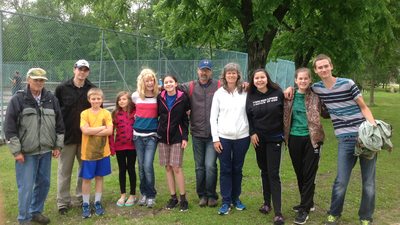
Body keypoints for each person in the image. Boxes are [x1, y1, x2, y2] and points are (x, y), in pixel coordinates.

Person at [284, 54, 377, 225]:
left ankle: (366, 217)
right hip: (344, 139)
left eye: (326, 66)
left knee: (368, 182)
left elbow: (364, 107)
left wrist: (373, 129)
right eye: (320, 67)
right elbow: (302, 86)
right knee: (341, 181)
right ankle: (334, 214)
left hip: (364, 136)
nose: (324, 69)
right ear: (316, 71)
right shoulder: (317, 88)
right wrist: (290, 87)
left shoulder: (348, 83)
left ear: (331, 66)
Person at [4, 68, 65, 225]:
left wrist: (58, 145)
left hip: (45, 151)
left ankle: (35, 213)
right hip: (26, 153)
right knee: (26, 187)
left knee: (44, 184)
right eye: (35, 79)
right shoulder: (18, 100)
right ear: (28, 80)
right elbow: (10, 127)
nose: (39, 82)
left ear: (45, 81)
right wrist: (16, 151)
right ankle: (23, 219)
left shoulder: (51, 99)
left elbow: (59, 125)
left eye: (42, 80)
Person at [283, 68, 330, 224]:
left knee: (309, 173)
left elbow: (327, 114)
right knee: (299, 172)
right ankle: (307, 202)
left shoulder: (317, 96)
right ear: (295, 80)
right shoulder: (289, 96)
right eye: (300, 78)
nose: (303, 81)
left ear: (310, 80)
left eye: (306, 78)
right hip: (294, 138)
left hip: (313, 139)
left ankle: (304, 209)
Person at [55, 59, 97, 214]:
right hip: (66, 137)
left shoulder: (92, 89)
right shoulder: (62, 88)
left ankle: (82, 197)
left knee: (84, 170)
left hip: (86, 138)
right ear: (74, 70)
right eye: (80, 69)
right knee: (64, 171)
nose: (82, 72)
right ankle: (63, 201)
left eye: (85, 70)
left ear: (88, 72)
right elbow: (56, 112)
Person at [245, 69, 285, 225]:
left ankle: (278, 212)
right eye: (256, 78)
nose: (259, 80)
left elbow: (286, 113)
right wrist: (252, 133)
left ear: (267, 79)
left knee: (273, 173)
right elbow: (248, 117)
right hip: (258, 140)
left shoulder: (278, 93)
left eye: (262, 77)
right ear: (253, 80)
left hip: (275, 139)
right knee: (264, 171)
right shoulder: (250, 96)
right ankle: (266, 203)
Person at [178, 59, 220, 207]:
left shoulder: (219, 85)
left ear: (211, 72)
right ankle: (202, 195)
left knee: (210, 165)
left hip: (213, 136)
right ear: (198, 70)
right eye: (202, 70)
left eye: (207, 70)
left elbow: (237, 87)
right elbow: (170, 86)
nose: (204, 73)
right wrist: (155, 86)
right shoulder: (189, 86)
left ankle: (212, 195)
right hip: (197, 134)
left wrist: (246, 85)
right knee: (199, 167)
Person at [210, 63, 250, 215]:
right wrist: (216, 139)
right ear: (224, 76)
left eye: (234, 73)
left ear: (238, 75)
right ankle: (226, 201)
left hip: (242, 137)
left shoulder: (245, 91)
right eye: (229, 73)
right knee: (226, 169)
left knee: (237, 169)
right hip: (224, 138)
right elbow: (213, 118)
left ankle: (236, 198)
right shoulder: (219, 93)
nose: (231, 75)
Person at [157, 74, 190, 212]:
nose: (169, 84)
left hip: (177, 137)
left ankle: (183, 199)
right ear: (163, 85)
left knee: (177, 168)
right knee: (168, 167)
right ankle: (173, 197)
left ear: (176, 83)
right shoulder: (159, 97)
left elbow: (185, 119)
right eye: (166, 82)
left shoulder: (183, 98)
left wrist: (184, 137)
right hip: (163, 137)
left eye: (171, 82)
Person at [79, 88, 113, 218]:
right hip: (89, 153)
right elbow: (85, 132)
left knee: (99, 177)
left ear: (102, 99)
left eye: (98, 98)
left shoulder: (106, 113)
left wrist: (92, 129)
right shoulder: (84, 114)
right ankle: (86, 203)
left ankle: (97, 202)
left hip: (103, 152)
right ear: (89, 100)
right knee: (87, 178)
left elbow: (110, 131)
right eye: (93, 99)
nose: (96, 101)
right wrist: (102, 128)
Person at [131, 69, 159, 208]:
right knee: (141, 167)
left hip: (152, 135)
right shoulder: (136, 96)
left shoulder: (158, 95)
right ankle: (143, 193)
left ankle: (151, 194)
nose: (149, 83)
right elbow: (130, 110)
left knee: (148, 165)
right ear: (142, 81)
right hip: (137, 136)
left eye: (152, 80)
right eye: (147, 80)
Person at [109, 91, 137, 207]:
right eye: (119, 99)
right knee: (122, 170)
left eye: (124, 99)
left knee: (131, 169)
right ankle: (123, 194)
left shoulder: (135, 113)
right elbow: (111, 133)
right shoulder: (115, 114)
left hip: (132, 146)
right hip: (119, 146)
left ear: (129, 100)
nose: (121, 101)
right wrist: (111, 147)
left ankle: (132, 194)